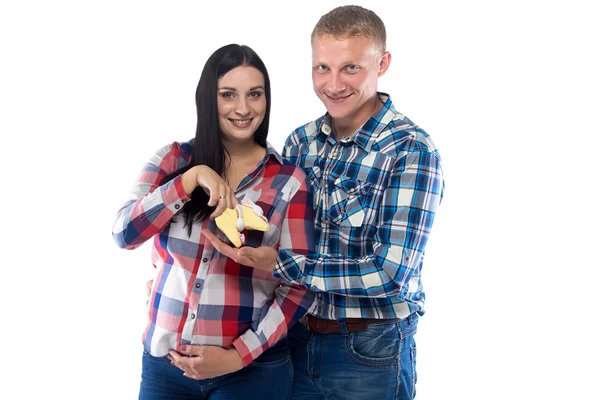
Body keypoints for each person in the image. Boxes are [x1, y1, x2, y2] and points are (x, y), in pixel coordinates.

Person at [204, 6, 445, 400]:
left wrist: (280, 264)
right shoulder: (301, 143)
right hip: (295, 338)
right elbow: (269, 228)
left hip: (369, 349)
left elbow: (390, 274)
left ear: (382, 63)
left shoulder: (409, 150)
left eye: (351, 68)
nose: (333, 84)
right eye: (322, 68)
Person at [112, 44, 316, 400]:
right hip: (165, 369)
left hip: (251, 375)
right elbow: (124, 234)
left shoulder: (288, 181)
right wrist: (190, 179)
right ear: (208, 99)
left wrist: (238, 356)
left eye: (255, 94)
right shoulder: (172, 159)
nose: (243, 108)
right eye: (228, 95)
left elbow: (299, 286)